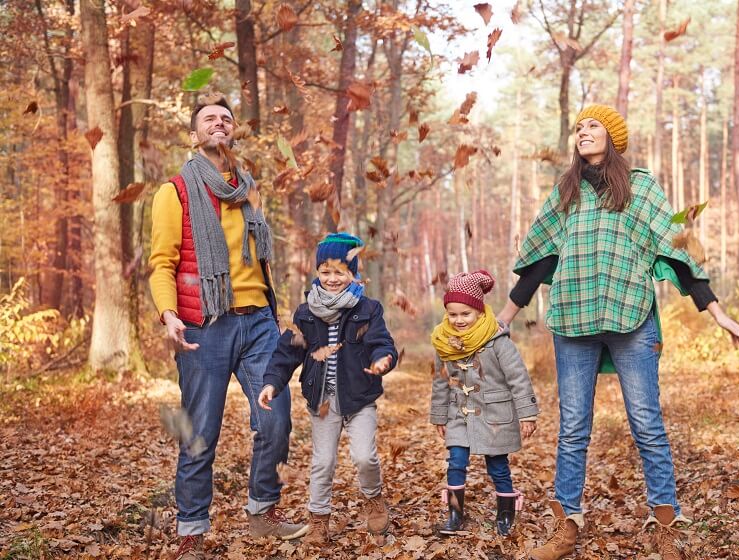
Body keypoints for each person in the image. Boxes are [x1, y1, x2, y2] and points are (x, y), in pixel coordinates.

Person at [495, 104, 739, 560]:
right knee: (573, 427)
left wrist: (716, 312)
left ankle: (666, 521)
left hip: (631, 316)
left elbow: (675, 253)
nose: (582, 132)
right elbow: (541, 260)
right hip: (573, 320)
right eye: (578, 127)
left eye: (592, 125)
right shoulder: (566, 193)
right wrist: (504, 318)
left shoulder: (640, 186)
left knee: (647, 423)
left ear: (612, 135)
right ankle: (566, 525)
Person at [148, 93, 307, 560]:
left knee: (276, 420)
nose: (219, 123)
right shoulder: (174, 191)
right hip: (205, 327)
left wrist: (275, 315)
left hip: (257, 322)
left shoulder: (249, 189)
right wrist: (169, 313)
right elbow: (162, 263)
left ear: (232, 130)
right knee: (200, 432)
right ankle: (192, 532)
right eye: (209, 119)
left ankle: (263, 510)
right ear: (196, 134)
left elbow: (259, 258)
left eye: (226, 118)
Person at [258, 232, 398, 546]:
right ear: (317, 273)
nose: (332, 279)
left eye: (340, 272)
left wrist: (383, 359)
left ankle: (373, 498)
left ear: (353, 274)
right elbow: (286, 352)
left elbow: (380, 342)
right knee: (322, 462)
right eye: (325, 272)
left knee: (364, 457)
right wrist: (271, 382)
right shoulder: (306, 312)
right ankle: (318, 519)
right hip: (322, 399)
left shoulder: (368, 308)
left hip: (359, 398)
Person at [429, 270, 540, 537]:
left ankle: (505, 512)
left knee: (497, 464)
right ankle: (454, 513)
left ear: (479, 312)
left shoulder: (498, 341)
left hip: (494, 414)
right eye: (452, 314)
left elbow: (518, 378)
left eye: (465, 314)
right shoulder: (444, 342)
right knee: (455, 461)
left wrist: (527, 414)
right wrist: (439, 416)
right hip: (460, 413)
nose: (458, 320)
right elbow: (441, 382)